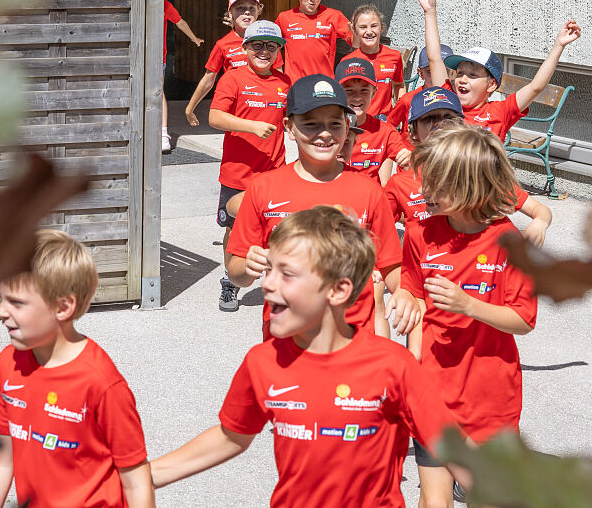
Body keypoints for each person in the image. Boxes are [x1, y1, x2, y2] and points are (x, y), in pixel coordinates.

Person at [150, 207, 469, 507]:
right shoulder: (262, 362)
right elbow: (231, 436)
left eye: (287, 274)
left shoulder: (394, 366)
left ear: (338, 291)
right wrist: (146, 475)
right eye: (270, 269)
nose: (268, 284)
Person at [388, 125, 537, 508]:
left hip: (490, 393)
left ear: (470, 186)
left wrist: (469, 305)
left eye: (436, 185)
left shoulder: (508, 241)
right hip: (433, 385)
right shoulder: (421, 232)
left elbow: (524, 319)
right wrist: (405, 299)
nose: (423, 193)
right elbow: (412, 289)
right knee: (434, 499)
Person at [0, 230, 154, 508]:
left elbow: (136, 479)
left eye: (16, 303)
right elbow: (1, 460)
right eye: (1, 298)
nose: (0, 311)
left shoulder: (101, 383)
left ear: (63, 307)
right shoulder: (7, 364)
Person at [224, 74, 401, 336]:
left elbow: (392, 266)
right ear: (289, 127)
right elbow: (236, 271)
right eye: (310, 124)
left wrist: (407, 292)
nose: (325, 133)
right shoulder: (263, 189)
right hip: (286, 340)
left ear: (346, 125)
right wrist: (247, 267)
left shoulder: (369, 191)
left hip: (353, 341)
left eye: (334, 123)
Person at [384, 87, 553, 247]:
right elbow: (377, 229)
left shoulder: (478, 171)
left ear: (460, 126)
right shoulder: (400, 183)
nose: (440, 124)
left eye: (448, 117)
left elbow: (540, 210)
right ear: (413, 133)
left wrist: (540, 223)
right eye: (429, 119)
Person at [416, 0, 582, 140]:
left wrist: (558, 46)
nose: (462, 79)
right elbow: (435, 59)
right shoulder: (447, 101)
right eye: (460, 73)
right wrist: (430, 12)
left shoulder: (501, 111)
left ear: (491, 85)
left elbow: (536, 87)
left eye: (473, 75)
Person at [208, 20, 290, 312]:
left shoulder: (285, 82)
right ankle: (230, 283)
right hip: (238, 174)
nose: (264, 51)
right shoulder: (233, 78)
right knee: (235, 228)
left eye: (271, 46)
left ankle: (278, 283)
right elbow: (215, 117)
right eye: (257, 45)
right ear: (245, 48)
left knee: (277, 228)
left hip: (274, 172)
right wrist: (251, 127)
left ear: (279, 50)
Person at [184, 0, 263, 128]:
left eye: (252, 8)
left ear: (259, 10)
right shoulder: (223, 44)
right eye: (240, 8)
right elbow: (208, 79)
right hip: (237, 111)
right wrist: (190, 109)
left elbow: (278, 75)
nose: (246, 12)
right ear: (230, 12)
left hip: (263, 108)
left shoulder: (268, 40)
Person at [335, 57, 410, 184]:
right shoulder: (324, 128)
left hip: (369, 199)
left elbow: (411, 163)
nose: (357, 97)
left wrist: (409, 159)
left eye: (364, 90)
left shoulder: (384, 131)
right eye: (349, 90)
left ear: (374, 93)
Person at [274, 0, 352, 80]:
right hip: (294, 85)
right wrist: (278, 71)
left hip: (324, 85)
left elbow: (356, 42)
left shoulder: (334, 16)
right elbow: (271, 45)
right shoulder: (284, 18)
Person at [343, 4, 404, 120]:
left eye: (374, 26)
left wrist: (400, 111)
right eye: (363, 27)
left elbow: (399, 84)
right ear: (355, 30)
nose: (369, 31)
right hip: (359, 122)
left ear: (382, 28)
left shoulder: (394, 56)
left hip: (385, 122)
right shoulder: (348, 62)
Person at [386, 43, 453, 148]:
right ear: (420, 73)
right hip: (410, 161)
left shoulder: (455, 101)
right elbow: (389, 126)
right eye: (430, 71)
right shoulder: (408, 100)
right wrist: (398, 149)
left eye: (445, 71)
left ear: (452, 73)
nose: (436, 76)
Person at [162, 0, 204, 151]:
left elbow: (180, 22)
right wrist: (194, 39)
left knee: (156, 93)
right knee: (158, 93)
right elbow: (180, 22)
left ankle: (162, 134)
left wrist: (194, 39)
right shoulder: (164, 3)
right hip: (154, 56)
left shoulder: (164, 4)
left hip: (156, 56)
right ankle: (162, 135)